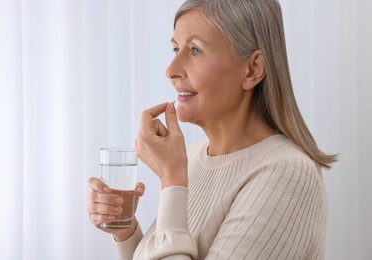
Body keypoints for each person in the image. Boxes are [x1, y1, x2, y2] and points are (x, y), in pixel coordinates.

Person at [88, 0, 337, 259]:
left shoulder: (287, 174)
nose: (170, 70)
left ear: (252, 69)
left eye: (195, 50)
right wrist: (127, 231)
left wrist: (172, 177)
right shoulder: (192, 159)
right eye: (175, 49)